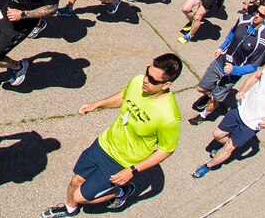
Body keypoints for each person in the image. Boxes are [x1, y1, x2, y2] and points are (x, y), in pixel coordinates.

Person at [41, 54, 183, 217]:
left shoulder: (169, 117)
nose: (145, 80)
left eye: (152, 80)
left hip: (122, 161)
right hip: (103, 144)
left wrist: (132, 171)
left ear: (166, 84)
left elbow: (166, 150)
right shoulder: (138, 82)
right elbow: (124, 97)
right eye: (147, 73)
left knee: (80, 197)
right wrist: (97, 105)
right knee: (75, 181)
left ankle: (121, 192)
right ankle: (69, 210)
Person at [192, 44, 265, 178]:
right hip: (242, 108)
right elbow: (255, 76)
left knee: (230, 146)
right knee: (218, 134)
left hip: (254, 122)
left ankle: (206, 167)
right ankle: (227, 148)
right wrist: (242, 90)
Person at [189, 1, 265, 125]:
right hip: (220, 62)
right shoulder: (243, 19)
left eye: (261, 15)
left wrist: (234, 70)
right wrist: (222, 47)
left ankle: (202, 116)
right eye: (257, 11)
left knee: (215, 99)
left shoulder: (262, 40)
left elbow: (254, 66)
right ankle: (209, 94)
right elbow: (232, 33)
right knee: (201, 87)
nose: (257, 16)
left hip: (232, 74)